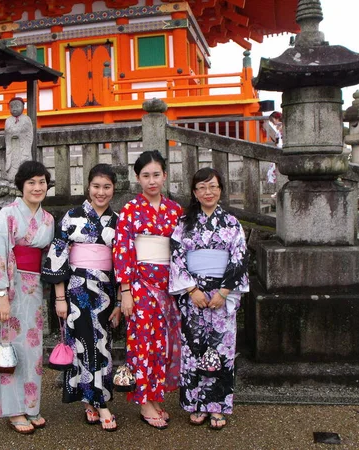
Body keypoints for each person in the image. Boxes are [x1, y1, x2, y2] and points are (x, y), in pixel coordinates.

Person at [42, 163, 121, 432]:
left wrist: (121, 301)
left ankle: (90, 399)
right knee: (88, 344)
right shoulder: (72, 216)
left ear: (114, 189)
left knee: (103, 345)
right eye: (96, 186)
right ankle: (101, 404)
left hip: (107, 291)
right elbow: (57, 256)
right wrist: (59, 298)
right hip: (77, 289)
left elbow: (123, 262)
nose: (101, 192)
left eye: (107, 187)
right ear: (88, 187)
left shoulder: (117, 220)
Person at [169, 167, 249, 430]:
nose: (208, 192)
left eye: (213, 186)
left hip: (222, 294)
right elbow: (177, 258)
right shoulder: (183, 224)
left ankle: (217, 406)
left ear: (221, 189)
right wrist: (192, 290)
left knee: (221, 349)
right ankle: (195, 404)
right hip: (194, 294)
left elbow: (239, 259)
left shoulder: (232, 223)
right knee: (193, 350)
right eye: (202, 187)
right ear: (194, 192)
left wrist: (224, 292)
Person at [0, 160, 55, 435]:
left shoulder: (48, 220)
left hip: (34, 288)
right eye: (31, 182)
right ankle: (13, 410)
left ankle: (31, 405)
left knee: (31, 349)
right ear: (21, 186)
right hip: (10, 287)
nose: (37, 187)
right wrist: (1, 296)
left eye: (42, 182)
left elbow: (49, 257)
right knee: (8, 346)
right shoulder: (8, 214)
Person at [113, 150, 183, 430]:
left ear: (165, 175)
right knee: (142, 343)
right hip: (140, 284)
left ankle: (156, 396)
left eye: (156, 174)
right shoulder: (130, 210)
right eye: (146, 176)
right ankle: (144, 401)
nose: (152, 181)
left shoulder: (175, 211)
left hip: (168, 286)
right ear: (138, 179)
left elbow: (181, 251)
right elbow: (122, 251)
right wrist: (126, 290)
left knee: (162, 344)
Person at [4, 97, 33, 182]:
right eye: (12, 107)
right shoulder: (8, 120)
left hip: (23, 147)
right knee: (13, 166)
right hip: (13, 147)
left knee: (24, 163)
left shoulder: (26, 119)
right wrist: (12, 133)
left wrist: (19, 133)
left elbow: (27, 132)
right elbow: (7, 132)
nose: (14, 108)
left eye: (17, 106)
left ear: (23, 107)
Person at [264, 111, 283, 198]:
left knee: (277, 171)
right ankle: (278, 190)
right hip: (279, 149)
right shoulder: (281, 127)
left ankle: (279, 190)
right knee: (275, 171)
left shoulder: (282, 127)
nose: (273, 123)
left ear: (276, 118)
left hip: (282, 150)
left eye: (273, 121)